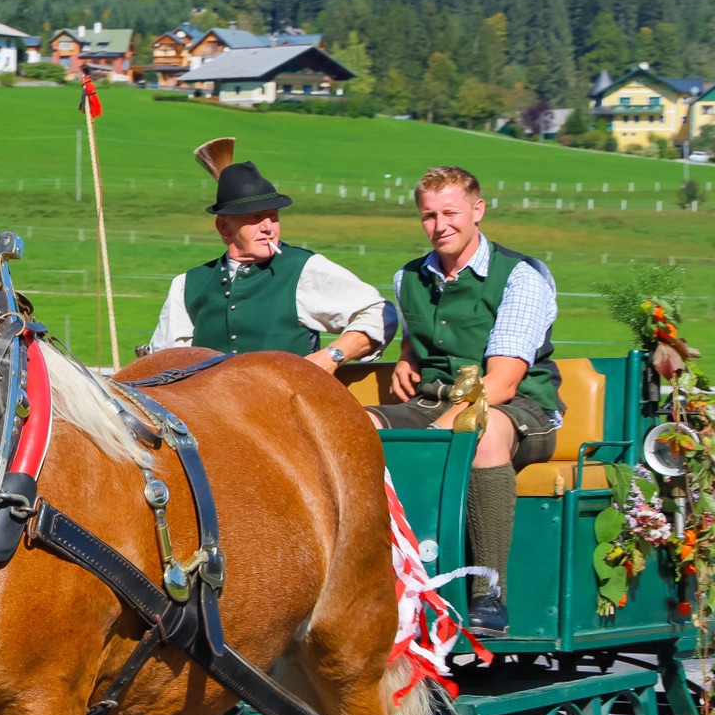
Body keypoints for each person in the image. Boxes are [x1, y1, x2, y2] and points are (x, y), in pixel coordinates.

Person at [370, 165, 563, 634]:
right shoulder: (409, 277)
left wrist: (442, 430)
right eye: (429, 216)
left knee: (481, 432)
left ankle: (489, 592)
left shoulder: (521, 277)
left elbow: (504, 381)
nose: (440, 226)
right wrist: (406, 356)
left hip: (520, 409)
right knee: (354, 428)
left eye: (451, 213)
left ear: (477, 211)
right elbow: (420, 333)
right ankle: (372, 579)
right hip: (434, 400)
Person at [149, 138, 393, 372]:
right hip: (208, 411)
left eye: (273, 216)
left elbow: (379, 314)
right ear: (224, 228)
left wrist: (332, 356)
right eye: (254, 218)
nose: (268, 227)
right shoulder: (187, 284)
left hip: (288, 408)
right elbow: (163, 359)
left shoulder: (302, 269)